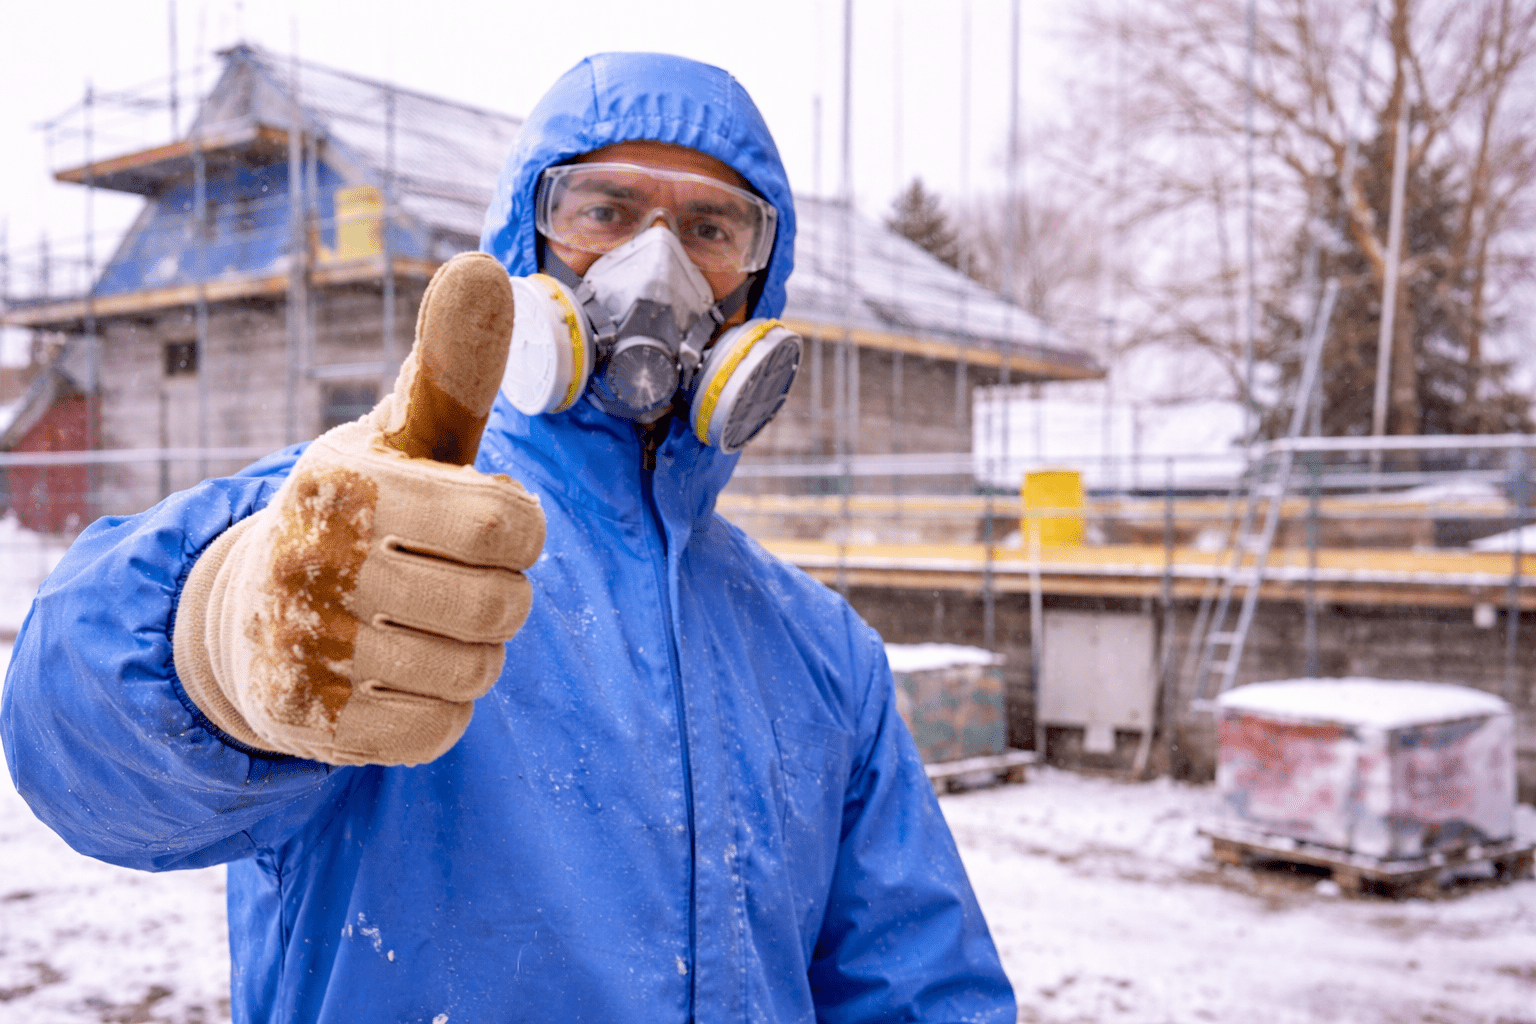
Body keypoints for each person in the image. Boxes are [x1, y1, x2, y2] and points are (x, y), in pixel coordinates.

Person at [2, 52, 1016, 1023]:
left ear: (759, 281)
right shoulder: (371, 529)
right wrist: (219, 637)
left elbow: (916, 988)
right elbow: (69, 733)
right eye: (605, 211)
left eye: (711, 227)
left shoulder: (823, 651)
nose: (654, 266)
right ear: (527, 237)